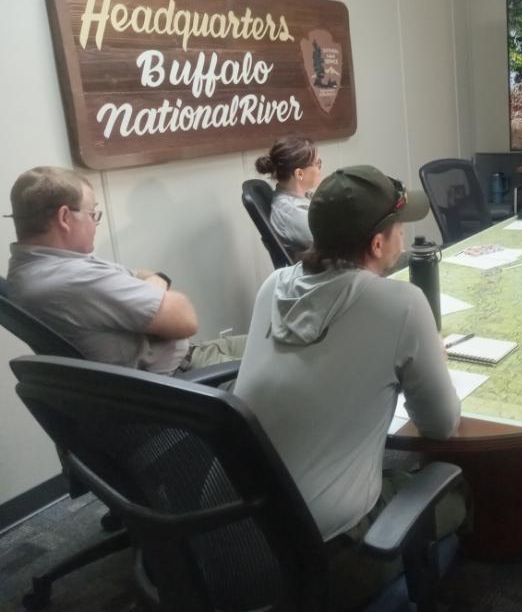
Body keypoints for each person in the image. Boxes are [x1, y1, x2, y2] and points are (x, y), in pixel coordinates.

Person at [233, 165, 464, 609]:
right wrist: (428, 351)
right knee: (458, 497)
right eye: (399, 229)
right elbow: (441, 426)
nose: (403, 237)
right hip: (323, 553)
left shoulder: (272, 287)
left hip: (230, 536)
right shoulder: (400, 304)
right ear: (378, 244)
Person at [6, 166, 245, 374]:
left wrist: (149, 284)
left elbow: (140, 274)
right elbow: (185, 319)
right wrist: (156, 283)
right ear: (65, 218)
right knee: (281, 369)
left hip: (189, 359)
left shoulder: (28, 270)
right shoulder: (75, 280)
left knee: (275, 341)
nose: (95, 223)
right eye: (92, 214)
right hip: (187, 381)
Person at [254, 136, 322, 252]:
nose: (321, 168)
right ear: (299, 174)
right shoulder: (290, 212)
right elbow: (335, 243)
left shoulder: (301, 198)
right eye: (318, 163)